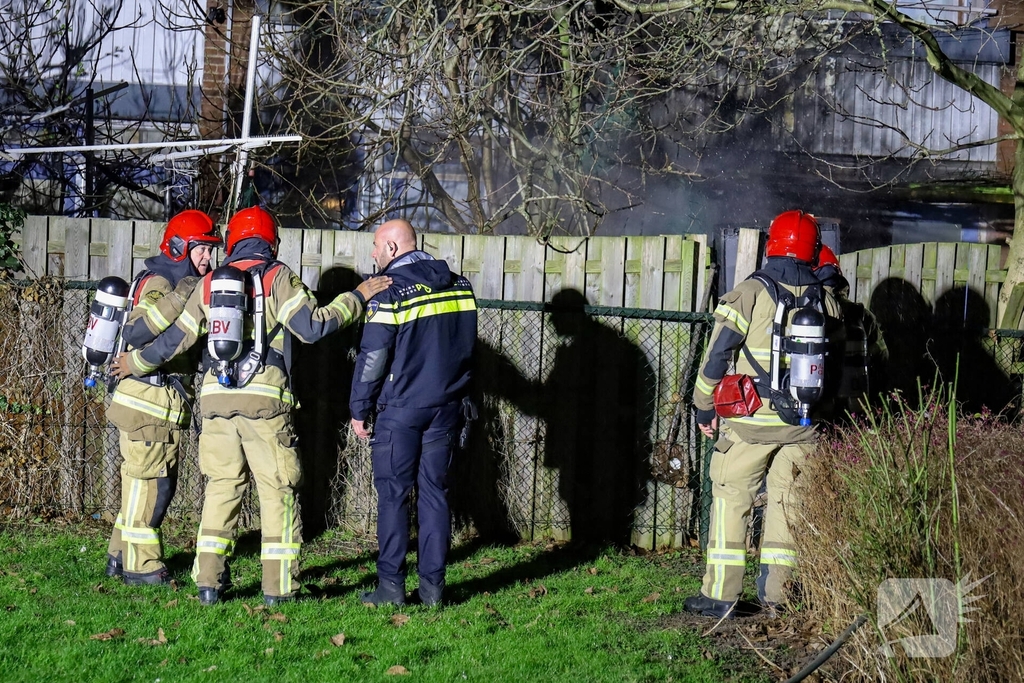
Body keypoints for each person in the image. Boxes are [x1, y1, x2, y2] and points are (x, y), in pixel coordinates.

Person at [111, 206, 391, 605]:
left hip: (214, 401)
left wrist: (134, 363)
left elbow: (176, 340)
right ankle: (279, 588)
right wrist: (357, 297)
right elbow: (313, 327)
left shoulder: (210, 282)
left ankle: (208, 583)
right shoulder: (278, 276)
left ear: (233, 242)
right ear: (272, 241)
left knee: (222, 487)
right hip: (265, 404)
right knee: (278, 490)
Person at [685, 210, 843, 619]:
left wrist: (704, 406)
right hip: (804, 428)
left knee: (731, 498)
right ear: (811, 248)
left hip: (750, 425)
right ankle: (778, 597)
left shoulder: (751, 292)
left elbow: (717, 355)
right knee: (788, 508)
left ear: (773, 243)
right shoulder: (826, 300)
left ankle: (721, 595)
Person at [350, 218, 477, 608]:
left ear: (391, 248)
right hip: (447, 409)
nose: (373, 255)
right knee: (436, 496)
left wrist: (359, 408)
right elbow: (466, 348)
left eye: (375, 246)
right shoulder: (461, 285)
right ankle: (433, 590)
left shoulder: (390, 294)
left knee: (394, 498)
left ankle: (390, 588)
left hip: (400, 411)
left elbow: (372, 359)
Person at [105, 209, 221, 586]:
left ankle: (119, 556)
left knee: (141, 483)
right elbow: (140, 331)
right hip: (148, 402)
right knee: (153, 485)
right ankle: (143, 567)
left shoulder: (173, 279)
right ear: (178, 248)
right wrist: (183, 294)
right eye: (201, 250)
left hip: (153, 403)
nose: (208, 258)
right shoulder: (162, 281)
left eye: (209, 250)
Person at [814, 245, 888, 416]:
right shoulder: (862, 315)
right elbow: (882, 359)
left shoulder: (804, 312)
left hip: (817, 410)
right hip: (856, 409)